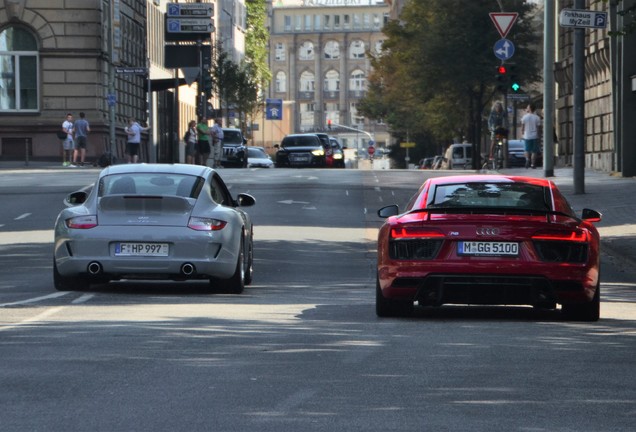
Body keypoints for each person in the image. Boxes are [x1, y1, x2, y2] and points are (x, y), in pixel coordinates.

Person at [520, 103, 542, 169]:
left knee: (527, 149)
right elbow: (538, 128)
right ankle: (533, 164)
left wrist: (522, 134)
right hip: (534, 136)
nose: (526, 109)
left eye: (527, 107)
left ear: (529, 109)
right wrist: (539, 136)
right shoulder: (537, 118)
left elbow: (522, 128)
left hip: (527, 136)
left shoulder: (524, 117)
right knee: (534, 151)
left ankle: (527, 160)